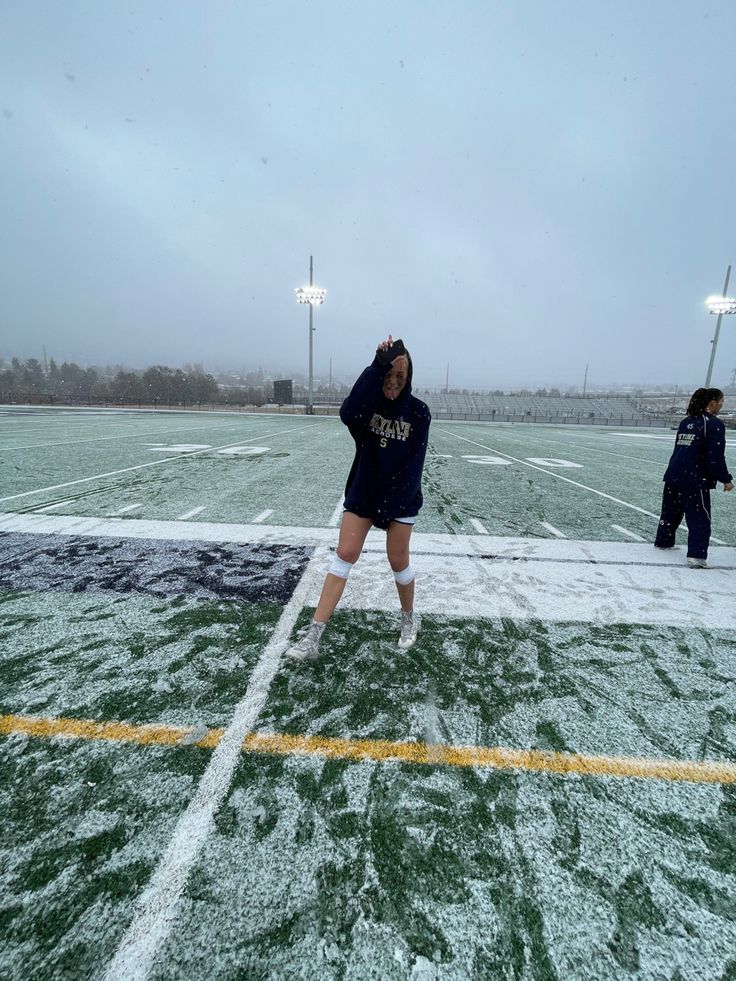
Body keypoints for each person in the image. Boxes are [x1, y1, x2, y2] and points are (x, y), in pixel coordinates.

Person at [286, 335, 431, 661]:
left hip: (401, 498)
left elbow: (414, 466)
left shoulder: (419, 413)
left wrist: (388, 508)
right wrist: (376, 365)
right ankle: (313, 636)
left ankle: (409, 618)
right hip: (365, 490)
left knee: (398, 560)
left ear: (408, 378)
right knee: (345, 553)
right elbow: (347, 412)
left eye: (400, 377)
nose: (393, 383)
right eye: (389, 375)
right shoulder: (368, 409)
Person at [654, 387, 733, 567]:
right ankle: (696, 556)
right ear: (712, 403)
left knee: (670, 513)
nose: (721, 405)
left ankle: (663, 542)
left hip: (674, 475)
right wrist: (725, 478)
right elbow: (715, 456)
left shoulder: (686, 421)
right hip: (695, 479)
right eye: (721, 402)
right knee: (699, 517)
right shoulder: (713, 424)